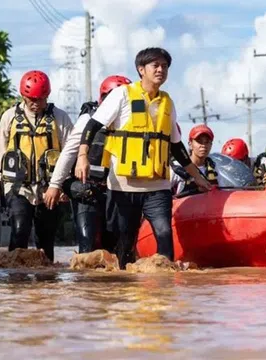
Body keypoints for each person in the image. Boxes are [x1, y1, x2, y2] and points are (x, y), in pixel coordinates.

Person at [73, 47, 211, 269]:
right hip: (124, 185)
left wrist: (197, 178)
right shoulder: (122, 95)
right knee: (125, 242)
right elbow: (93, 125)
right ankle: (126, 292)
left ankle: (164, 295)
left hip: (158, 185)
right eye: (155, 65)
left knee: (164, 233)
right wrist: (82, 156)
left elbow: (176, 147)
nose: (161, 70)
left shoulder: (168, 102)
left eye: (165, 66)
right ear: (141, 69)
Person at [0, 70, 73, 262]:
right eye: (31, 99)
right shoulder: (9, 117)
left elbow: (70, 152)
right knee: (19, 229)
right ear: (23, 96)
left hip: (49, 188)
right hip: (17, 186)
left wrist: (64, 186)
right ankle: (16, 283)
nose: (35, 103)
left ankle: (46, 285)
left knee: (46, 239)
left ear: (47, 96)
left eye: (40, 99)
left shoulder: (60, 117)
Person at [44, 75, 132, 254]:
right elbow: (68, 153)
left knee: (116, 249)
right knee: (88, 246)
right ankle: (84, 280)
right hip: (87, 190)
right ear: (102, 100)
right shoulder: (88, 120)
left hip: (118, 192)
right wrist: (54, 185)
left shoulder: (134, 124)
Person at [170, 124, 218, 195]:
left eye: (207, 142)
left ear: (211, 145)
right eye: (199, 141)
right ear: (190, 144)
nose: (203, 145)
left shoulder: (215, 167)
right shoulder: (177, 168)